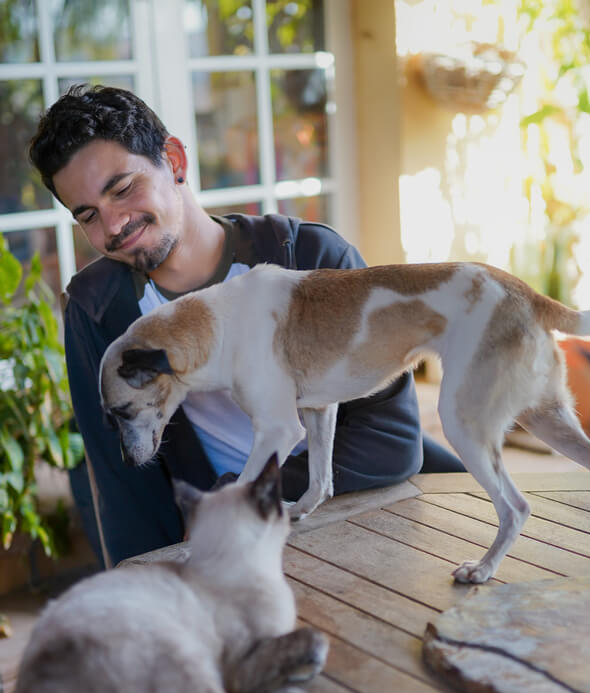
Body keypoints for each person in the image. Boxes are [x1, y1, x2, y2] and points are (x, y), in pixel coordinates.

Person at [29, 84, 462, 567]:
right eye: (87, 215)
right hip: (229, 556)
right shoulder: (97, 310)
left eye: (123, 189)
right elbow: (123, 488)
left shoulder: (312, 259)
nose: (112, 227)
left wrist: (236, 497)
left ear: (173, 161)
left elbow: (391, 441)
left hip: (352, 519)